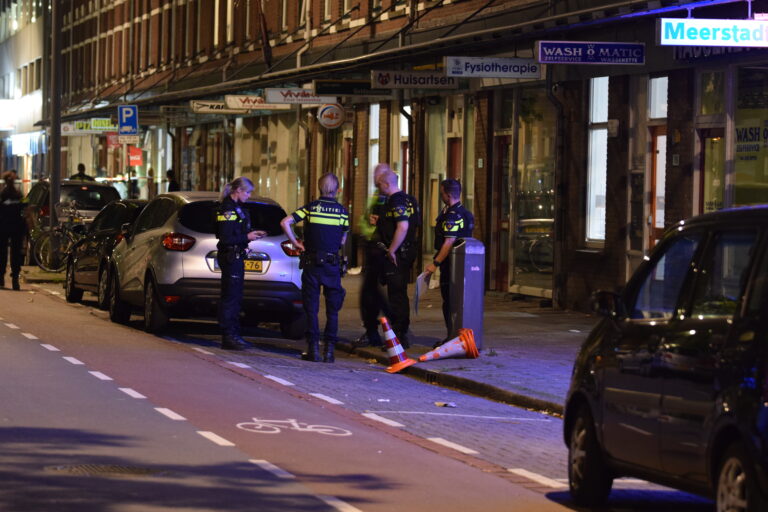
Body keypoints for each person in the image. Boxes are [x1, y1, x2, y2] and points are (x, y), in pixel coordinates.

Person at [281, 173, 349, 363]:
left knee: (311, 308)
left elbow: (285, 222)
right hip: (332, 265)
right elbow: (343, 239)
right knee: (332, 310)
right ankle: (329, 351)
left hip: (312, 264)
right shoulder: (342, 212)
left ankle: (313, 349)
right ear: (337, 190)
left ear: (319, 189)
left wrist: (295, 242)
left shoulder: (310, 209)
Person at [216, 177, 266, 350]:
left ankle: (234, 334)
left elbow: (237, 232)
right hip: (230, 257)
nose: (249, 195)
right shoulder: (227, 210)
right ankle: (228, 336)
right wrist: (247, 237)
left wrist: (251, 233)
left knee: (236, 297)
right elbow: (225, 237)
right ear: (238, 191)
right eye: (247, 192)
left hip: (237, 256)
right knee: (230, 298)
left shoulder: (238, 208)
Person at [423, 179, 475, 346]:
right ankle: (458, 337)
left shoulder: (452, 215)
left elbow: (448, 242)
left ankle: (452, 337)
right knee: (458, 300)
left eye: (442, 192)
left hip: (450, 264)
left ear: (448, 194)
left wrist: (435, 263)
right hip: (461, 263)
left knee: (450, 301)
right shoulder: (465, 213)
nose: (441, 195)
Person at [374, 169, 420, 348]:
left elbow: (402, 226)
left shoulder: (396, 200)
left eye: (379, 185)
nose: (379, 189)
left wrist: (391, 250)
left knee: (397, 295)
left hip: (398, 255)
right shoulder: (410, 200)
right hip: (407, 252)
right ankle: (399, 332)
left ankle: (399, 336)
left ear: (386, 184)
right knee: (397, 294)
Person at [356, 163, 394, 347]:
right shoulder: (376, 196)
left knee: (372, 293)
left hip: (379, 250)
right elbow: (364, 219)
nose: (375, 181)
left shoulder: (385, 198)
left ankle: (382, 326)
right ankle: (382, 326)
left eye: (378, 179)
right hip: (373, 247)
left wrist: (371, 234)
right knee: (371, 292)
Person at [0, 171, 26, 290]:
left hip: (3, 227)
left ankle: (1, 277)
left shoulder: (2, 194)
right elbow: (26, 209)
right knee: (16, 253)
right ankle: (15, 279)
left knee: (2, 253)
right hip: (17, 227)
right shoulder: (19, 195)